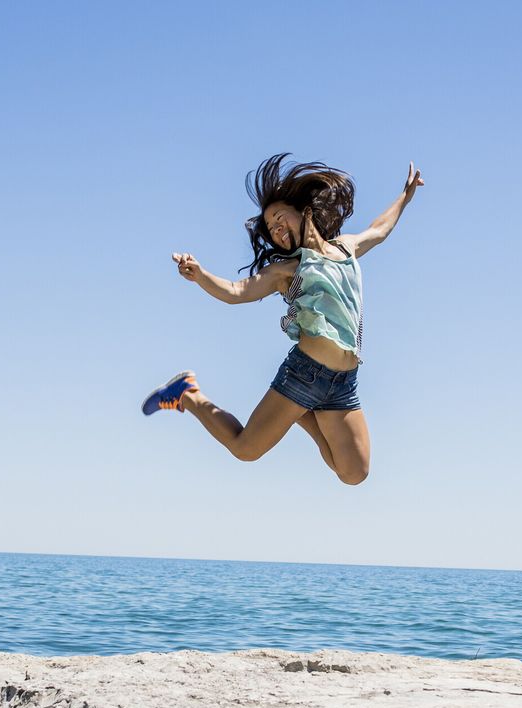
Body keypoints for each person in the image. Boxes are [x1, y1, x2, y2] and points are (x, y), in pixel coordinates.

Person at [141, 153, 423, 485]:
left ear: (303, 211)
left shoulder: (346, 249)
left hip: (344, 383)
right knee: (245, 448)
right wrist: (200, 275)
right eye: (271, 229)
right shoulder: (286, 270)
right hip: (305, 375)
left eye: (279, 219)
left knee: (354, 473)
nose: (276, 231)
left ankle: (306, 413)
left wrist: (405, 196)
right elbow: (235, 291)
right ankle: (188, 394)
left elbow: (379, 229)